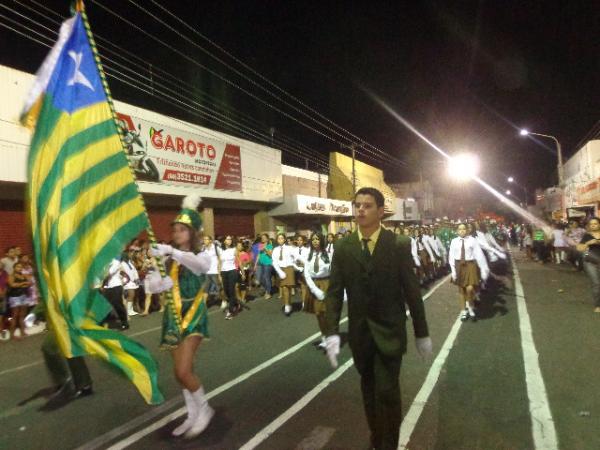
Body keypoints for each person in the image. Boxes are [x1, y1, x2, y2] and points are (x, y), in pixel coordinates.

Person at [324, 187, 432, 450]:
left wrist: (422, 332)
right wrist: (331, 334)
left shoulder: (398, 244)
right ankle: (377, 437)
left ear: (381, 211)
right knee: (369, 391)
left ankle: (388, 444)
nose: (360, 209)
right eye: (357, 205)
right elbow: (335, 294)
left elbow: (411, 291)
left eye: (367, 205)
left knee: (387, 392)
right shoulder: (343, 246)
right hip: (361, 335)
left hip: (390, 332)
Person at [149, 194, 214, 438]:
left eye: (182, 230)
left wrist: (170, 252)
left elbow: (199, 266)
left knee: (184, 371)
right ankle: (192, 413)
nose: (176, 234)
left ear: (193, 232)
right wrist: (156, 279)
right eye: (174, 230)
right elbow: (155, 288)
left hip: (194, 316)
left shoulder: (201, 254)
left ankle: (205, 409)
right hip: (172, 317)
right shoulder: (169, 258)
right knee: (180, 372)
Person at [449, 223, 489, 322]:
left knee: (470, 289)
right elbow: (451, 256)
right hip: (459, 266)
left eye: (464, 229)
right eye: (460, 229)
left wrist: (483, 268)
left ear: (467, 230)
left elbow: (479, 255)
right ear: (457, 231)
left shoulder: (472, 240)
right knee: (461, 290)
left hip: (470, 265)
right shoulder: (454, 241)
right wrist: (453, 271)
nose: (462, 231)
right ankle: (464, 311)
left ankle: (471, 307)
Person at [300, 233, 331, 348]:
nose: (315, 241)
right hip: (314, 285)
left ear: (322, 240)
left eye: (317, 239)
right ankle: (325, 337)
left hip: (326, 283)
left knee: (327, 313)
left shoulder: (328, 253)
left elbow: (334, 271)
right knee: (319, 314)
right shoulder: (308, 255)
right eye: (313, 239)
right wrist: (314, 289)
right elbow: (306, 273)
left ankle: (329, 336)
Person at [576, 217, 600, 313]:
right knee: (596, 283)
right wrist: (587, 243)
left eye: (595, 223)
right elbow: (579, 248)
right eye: (591, 224)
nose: (593, 225)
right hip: (591, 262)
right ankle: (598, 305)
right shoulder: (587, 236)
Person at [271, 233, 297, 316]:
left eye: (282, 238)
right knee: (284, 287)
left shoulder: (290, 248)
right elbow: (274, 261)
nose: (280, 240)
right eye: (279, 239)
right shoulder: (275, 250)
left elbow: (296, 257)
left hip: (289, 268)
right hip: (281, 269)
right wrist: (279, 271)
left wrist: (296, 265)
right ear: (277, 240)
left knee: (289, 288)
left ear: (284, 239)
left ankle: (289, 303)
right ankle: (287, 305)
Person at [7, 261, 32, 339]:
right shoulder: (11, 276)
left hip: (23, 296)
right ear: (14, 268)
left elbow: (30, 283)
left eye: (21, 267)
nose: (19, 268)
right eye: (18, 267)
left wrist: (22, 284)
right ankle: (12, 335)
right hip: (14, 297)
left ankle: (22, 332)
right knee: (15, 316)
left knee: (22, 315)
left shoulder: (24, 275)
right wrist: (22, 284)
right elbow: (12, 285)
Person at [220, 236, 240, 320]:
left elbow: (238, 260)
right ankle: (235, 303)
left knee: (231, 290)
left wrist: (242, 272)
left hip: (232, 271)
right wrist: (219, 274)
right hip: (224, 272)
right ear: (224, 241)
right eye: (228, 239)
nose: (230, 240)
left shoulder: (234, 249)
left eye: (230, 239)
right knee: (226, 291)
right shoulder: (221, 250)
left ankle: (230, 312)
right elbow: (219, 262)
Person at [256, 233, 273, 299]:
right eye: (262, 237)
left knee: (266, 277)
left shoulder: (269, 245)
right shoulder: (260, 245)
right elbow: (259, 255)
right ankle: (267, 289)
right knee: (261, 278)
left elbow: (270, 255)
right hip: (261, 263)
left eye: (264, 237)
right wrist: (255, 264)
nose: (262, 238)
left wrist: (265, 249)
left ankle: (268, 293)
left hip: (268, 264)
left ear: (267, 238)